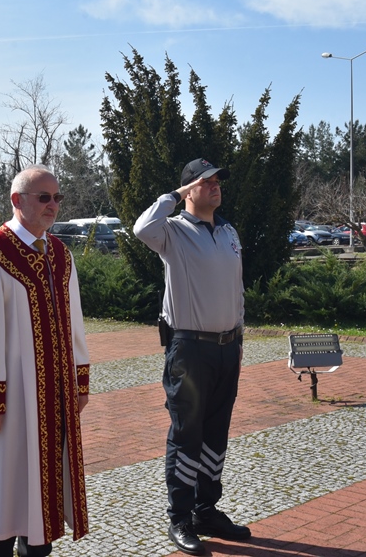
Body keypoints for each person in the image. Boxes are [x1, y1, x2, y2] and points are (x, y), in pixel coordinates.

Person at [0, 164, 90, 557]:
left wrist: (78, 384)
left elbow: (75, 322)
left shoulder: (61, 254)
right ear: (17, 201)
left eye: (57, 197)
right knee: (3, 499)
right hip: (9, 400)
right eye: (44, 197)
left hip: (55, 398)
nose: (53, 205)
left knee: (42, 505)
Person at [133, 158, 251, 555]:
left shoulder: (229, 231)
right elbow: (141, 228)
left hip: (226, 348)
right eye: (207, 181)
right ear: (188, 190)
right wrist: (172, 198)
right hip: (191, 350)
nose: (216, 186)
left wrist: (239, 340)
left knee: (216, 434)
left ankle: (207, 510)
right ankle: (180, 519)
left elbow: (236, 290)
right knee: (187, 435)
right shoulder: (173, 232)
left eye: (218, 180)